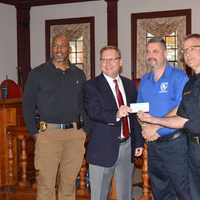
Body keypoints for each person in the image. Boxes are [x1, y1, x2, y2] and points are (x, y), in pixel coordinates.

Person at [23, 34, 87, 200]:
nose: (59, 49)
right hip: (48, 134)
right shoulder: (37, 73)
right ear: (51, 48)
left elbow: (84, 104)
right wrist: (35, 133)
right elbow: (28, 105)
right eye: (55, 46)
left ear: (69, 50)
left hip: (74, 135)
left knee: (69, 183)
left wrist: (84, 131)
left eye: (63, 46)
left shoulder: (79, 74)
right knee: (46, 185)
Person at [138, 33, 200, 200]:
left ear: (165, 53)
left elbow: (182, 107)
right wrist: (145, 128)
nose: (151, 55)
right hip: (153, 145)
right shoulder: (145, 79)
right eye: (149, 51)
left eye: (155, 51)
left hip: (176, 144)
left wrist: (156, 127)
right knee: (159, 189)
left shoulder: (179, 77)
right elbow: (141, 108)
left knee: (184, 191)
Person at [83, 45, 144, 200]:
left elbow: (134, 116)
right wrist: (116, 114)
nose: (107, 63)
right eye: (104, 59)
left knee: (125, 195)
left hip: (126, 147)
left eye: (112, 59)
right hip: (102, 149)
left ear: (120, 62)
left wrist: (138, 142)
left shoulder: (129, 85)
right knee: (99, 196)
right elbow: (94, 112)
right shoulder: (91, 86)